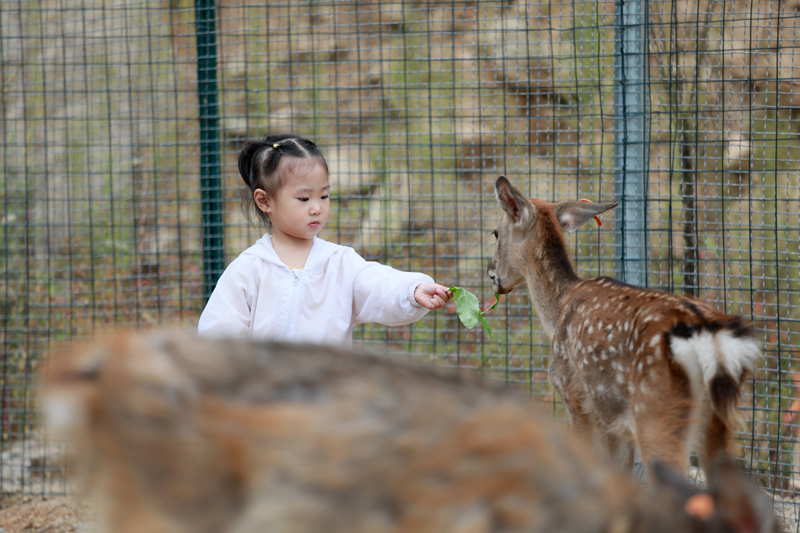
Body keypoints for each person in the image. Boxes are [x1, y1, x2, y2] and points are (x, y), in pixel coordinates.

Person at [198, 133, 452, 346]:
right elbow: (219, 333)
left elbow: (378, 284)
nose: (317, 208)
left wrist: (412, 290)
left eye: (324, 196)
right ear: (264, 201)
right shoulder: (249, 269)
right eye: (304, 199)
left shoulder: (340, 263)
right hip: (266, 398)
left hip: (327, 396)